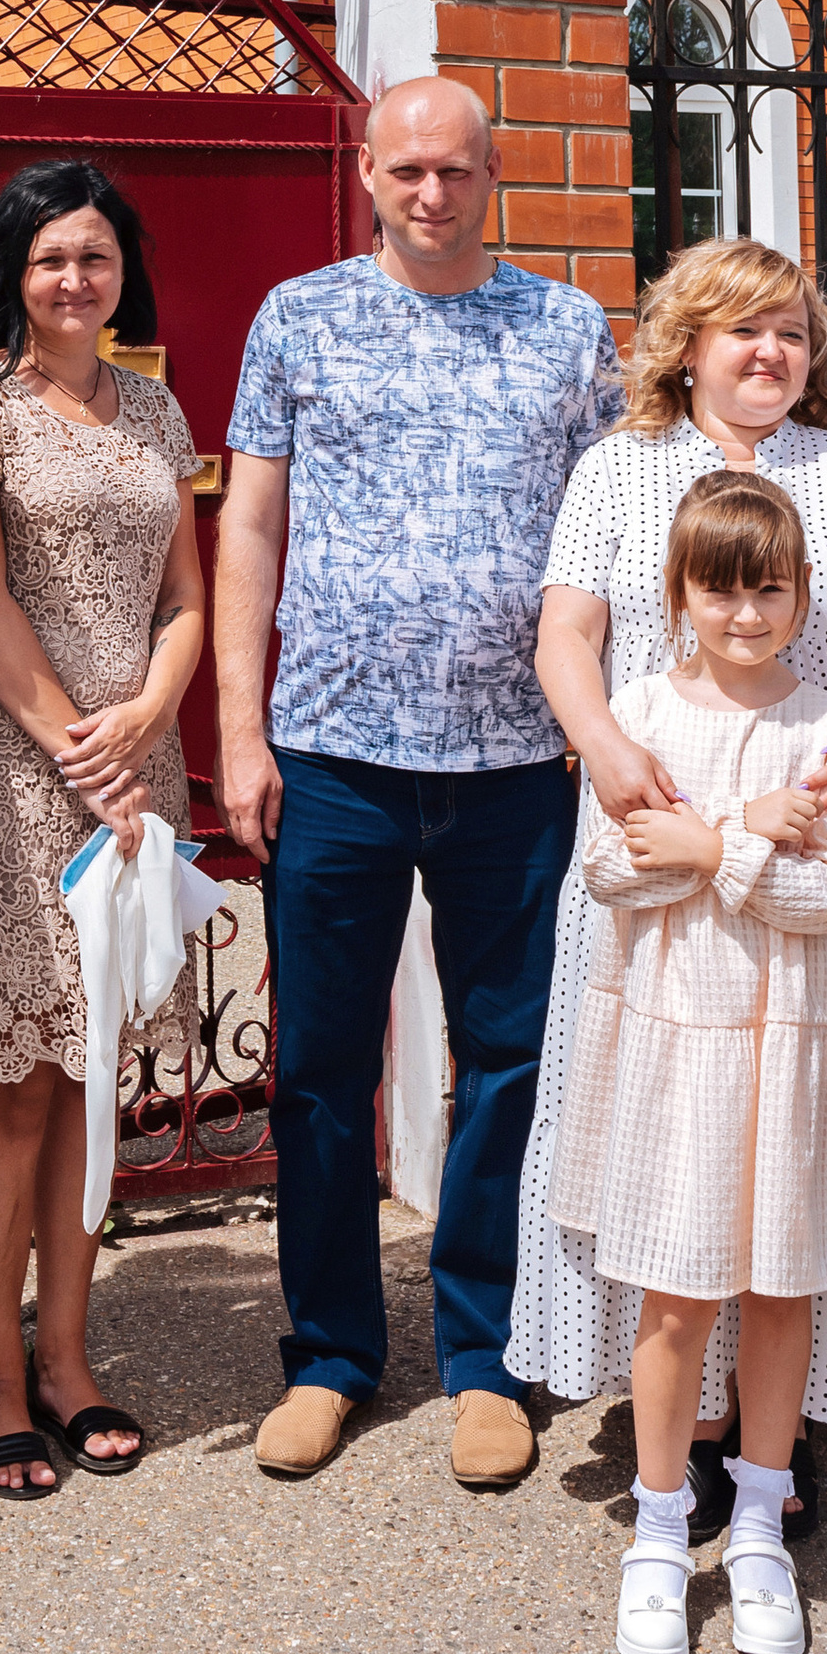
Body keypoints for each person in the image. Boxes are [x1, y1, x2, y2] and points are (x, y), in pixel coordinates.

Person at [508, 234, 827, 1541]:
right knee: (670, 1132)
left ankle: (773, 1423)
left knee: (793, 1130)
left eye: (787, 331)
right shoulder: (622, 468)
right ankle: (681, 1426)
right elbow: (568, 632)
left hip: (815, 865)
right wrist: (601, 744)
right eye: (738, 329)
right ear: (686, 344)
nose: (767, 352)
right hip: (660, 854)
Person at [214, 74, 624, 1492]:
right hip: (332, 756)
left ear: (493, 171)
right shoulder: (298, 316)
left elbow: (614, 535)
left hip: (516, 764)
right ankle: (330, 1352)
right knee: (324, 1071)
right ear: (369, 173)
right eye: (406, 172)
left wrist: (614, 723)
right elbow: (250, 522)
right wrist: (239, 725)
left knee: (511, 1063)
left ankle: (484, 1351)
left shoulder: (569, 330)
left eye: (456, 171)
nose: (432, 195)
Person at [558, 474, 827, 1654]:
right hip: (677, 1045)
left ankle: (757, 1524)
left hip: (792, 1045)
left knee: (783, 1291)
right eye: (719, 589)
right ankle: (655, 1531)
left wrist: (709, 845)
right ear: (680, 594)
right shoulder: (637, 712)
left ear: (800, 595)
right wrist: (741, 830)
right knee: (677, 1296)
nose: (745, 613)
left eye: (769, 589)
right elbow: (614, 868)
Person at [0, 160, 207, 1496]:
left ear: (121, 271)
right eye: (51, 257)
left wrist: (151, 710)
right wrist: (76, 744)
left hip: (136, 773)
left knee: (96, 1069)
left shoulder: (155, 404)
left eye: (95, 256)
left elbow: (189, 596)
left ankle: (69, 1356)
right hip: (22, 767)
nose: (74, 278)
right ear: (16, 268)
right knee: (18, 1086)